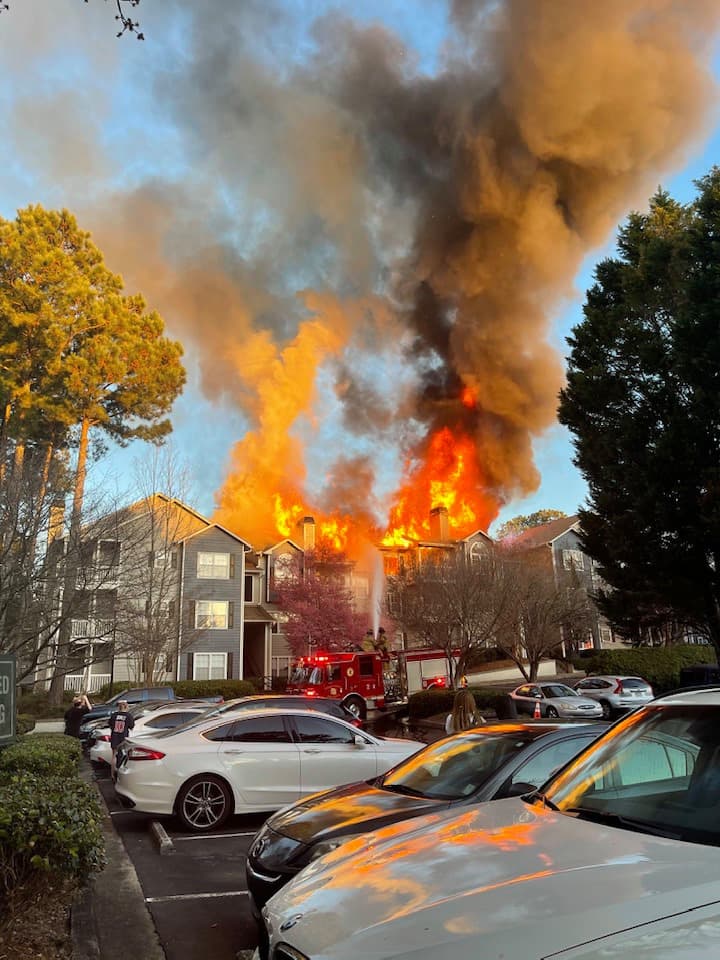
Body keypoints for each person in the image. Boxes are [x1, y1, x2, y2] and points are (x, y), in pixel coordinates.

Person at [108, 699, 135, 775]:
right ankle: (122, 773)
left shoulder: (114, 715)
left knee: (114, 756)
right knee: (124, 755)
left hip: (114, 736)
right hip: (123, 737)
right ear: (126, 706)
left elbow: (110, 725)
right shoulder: (128, 716)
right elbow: (131, 727)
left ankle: (112, 775)